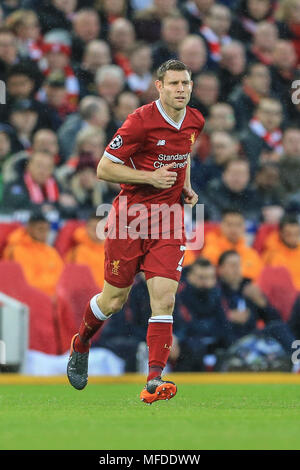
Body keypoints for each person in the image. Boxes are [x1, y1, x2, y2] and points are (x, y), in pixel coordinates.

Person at [67, 59, 205, 404]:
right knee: (113, 300)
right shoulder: (139, 122)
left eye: (185, 83)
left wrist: (186, 186)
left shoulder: (194, 120)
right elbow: (103, 168)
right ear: (159, 86)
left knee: (165, 298)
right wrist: (149, 178)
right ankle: (81, 342)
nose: (181, 89)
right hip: (131, 219)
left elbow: (182, 155)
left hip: (169, 220)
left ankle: (155, 377)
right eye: (173, 83)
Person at [217, 249, 295, 354]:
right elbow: (205, 317)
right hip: (229, 339)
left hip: (252, 337)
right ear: (220, 269)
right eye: (232, 265)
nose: (236, 269)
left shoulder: (249, 288)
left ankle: (297, 362)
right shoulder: (215, 291)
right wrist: (227, 316)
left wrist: (262, 303)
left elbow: (275, 319)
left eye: (239, 265)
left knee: (279, 328)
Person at [3, 211, 64, 297]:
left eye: (47, 230)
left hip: (53, 298)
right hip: (27, 299)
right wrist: (55, 285)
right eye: (40, 229)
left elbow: (64, 279)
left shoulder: (51, 251)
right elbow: (28, 283)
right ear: (29, 228)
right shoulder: (17, 250)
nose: (44, 233)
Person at [202, 209, 264, 280]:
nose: (234, 229)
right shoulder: (210, 252)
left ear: (244, 227)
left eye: (238, 225)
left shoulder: (251, 254)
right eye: (229, 224)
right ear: (221, 225)